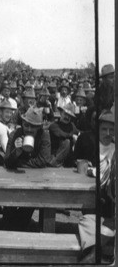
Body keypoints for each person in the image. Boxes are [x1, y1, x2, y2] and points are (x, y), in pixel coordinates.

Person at [78, 111, 115, 263]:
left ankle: (96, 253)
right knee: (85, 220)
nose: (108, 133)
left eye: (112, 130)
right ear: (97, 129)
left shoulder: (115, 148)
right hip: (93, 195)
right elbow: (80, 166)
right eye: (104, 129)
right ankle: (101, 251)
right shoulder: (90, 144)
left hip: (109, 200)